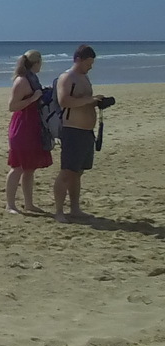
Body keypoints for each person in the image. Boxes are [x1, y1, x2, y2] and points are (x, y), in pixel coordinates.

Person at [54, 45, 113, 223]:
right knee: (66, 172)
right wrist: (90, 100)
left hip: (87, 132)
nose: (91, 66)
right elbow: (64, 100)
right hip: (73, 131)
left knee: (77, 172)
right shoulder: (67, 77)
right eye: (88, 63)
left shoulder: (84, 78)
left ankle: (75, 208)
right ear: (79, 59)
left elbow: (83, 101)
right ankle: (58, 211)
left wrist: (98, 102)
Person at [5, 51, 51, 214]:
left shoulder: (33, 79)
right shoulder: (22, 81)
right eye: (40, 62)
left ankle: (29, 203)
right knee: (17, 166)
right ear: (35, 63)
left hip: (33, 126)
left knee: (30, 168)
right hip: (22, 127)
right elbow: (12, 106)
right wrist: (33, 99)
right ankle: (10, 205)